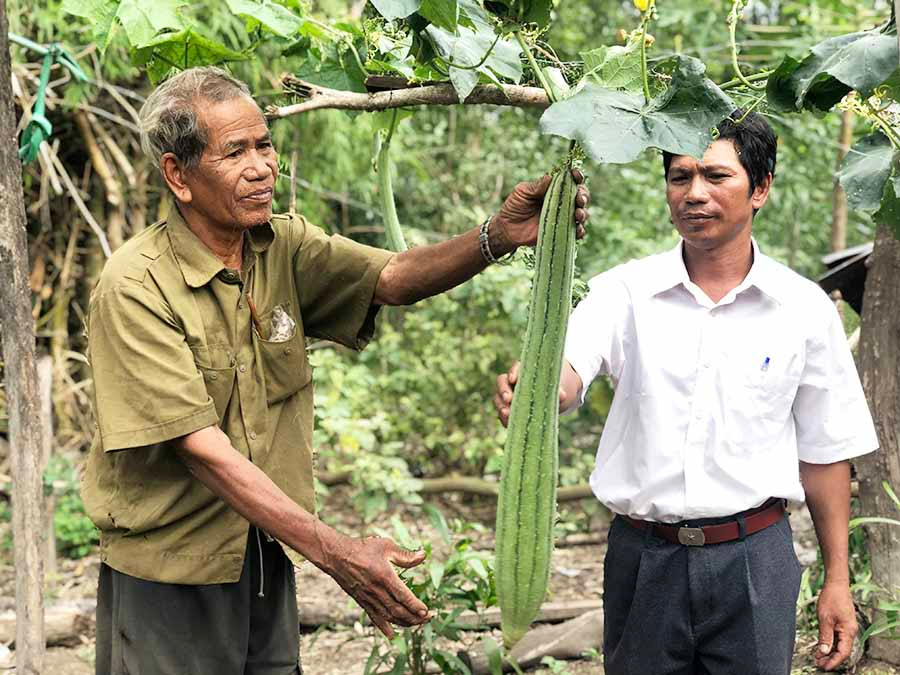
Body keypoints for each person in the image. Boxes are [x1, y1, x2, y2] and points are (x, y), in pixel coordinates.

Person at [81, 66, 589, 675]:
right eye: (235, 152)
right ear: (177, 175)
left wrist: (499, 235)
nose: (262, 167)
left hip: (265, 555)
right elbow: (202, 450)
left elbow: (393, 278)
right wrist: (338, 552)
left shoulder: (282, 246)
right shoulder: (135, 286)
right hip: (170, 575)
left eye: (265, 145)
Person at [494, 111, 877, 674]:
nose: (694, 192)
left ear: (761, 189)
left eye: (716, 176)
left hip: (756, 560)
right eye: (681, 177)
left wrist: (836, 580)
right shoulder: (622, 292)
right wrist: (537, 387)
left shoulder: (803, 309)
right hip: (644, 559)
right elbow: (568, 370)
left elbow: (826, 454)